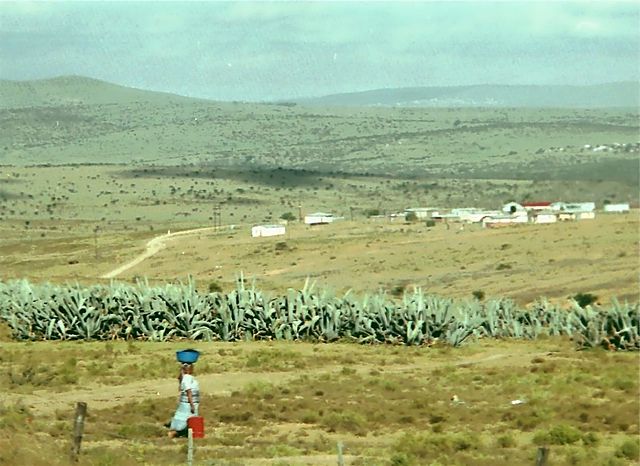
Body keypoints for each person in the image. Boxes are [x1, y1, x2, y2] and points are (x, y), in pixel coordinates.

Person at [167, 362, 200, 438]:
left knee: (185, 418)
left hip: (188, 403)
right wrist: (192, 405)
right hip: (188, 403)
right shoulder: (187, 378)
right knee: (186, 418)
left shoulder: (186, 377)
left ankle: (183, 433)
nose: (193, 369)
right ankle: (175, 433)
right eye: (191, 367)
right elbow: (189, 392)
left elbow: (180, 379)